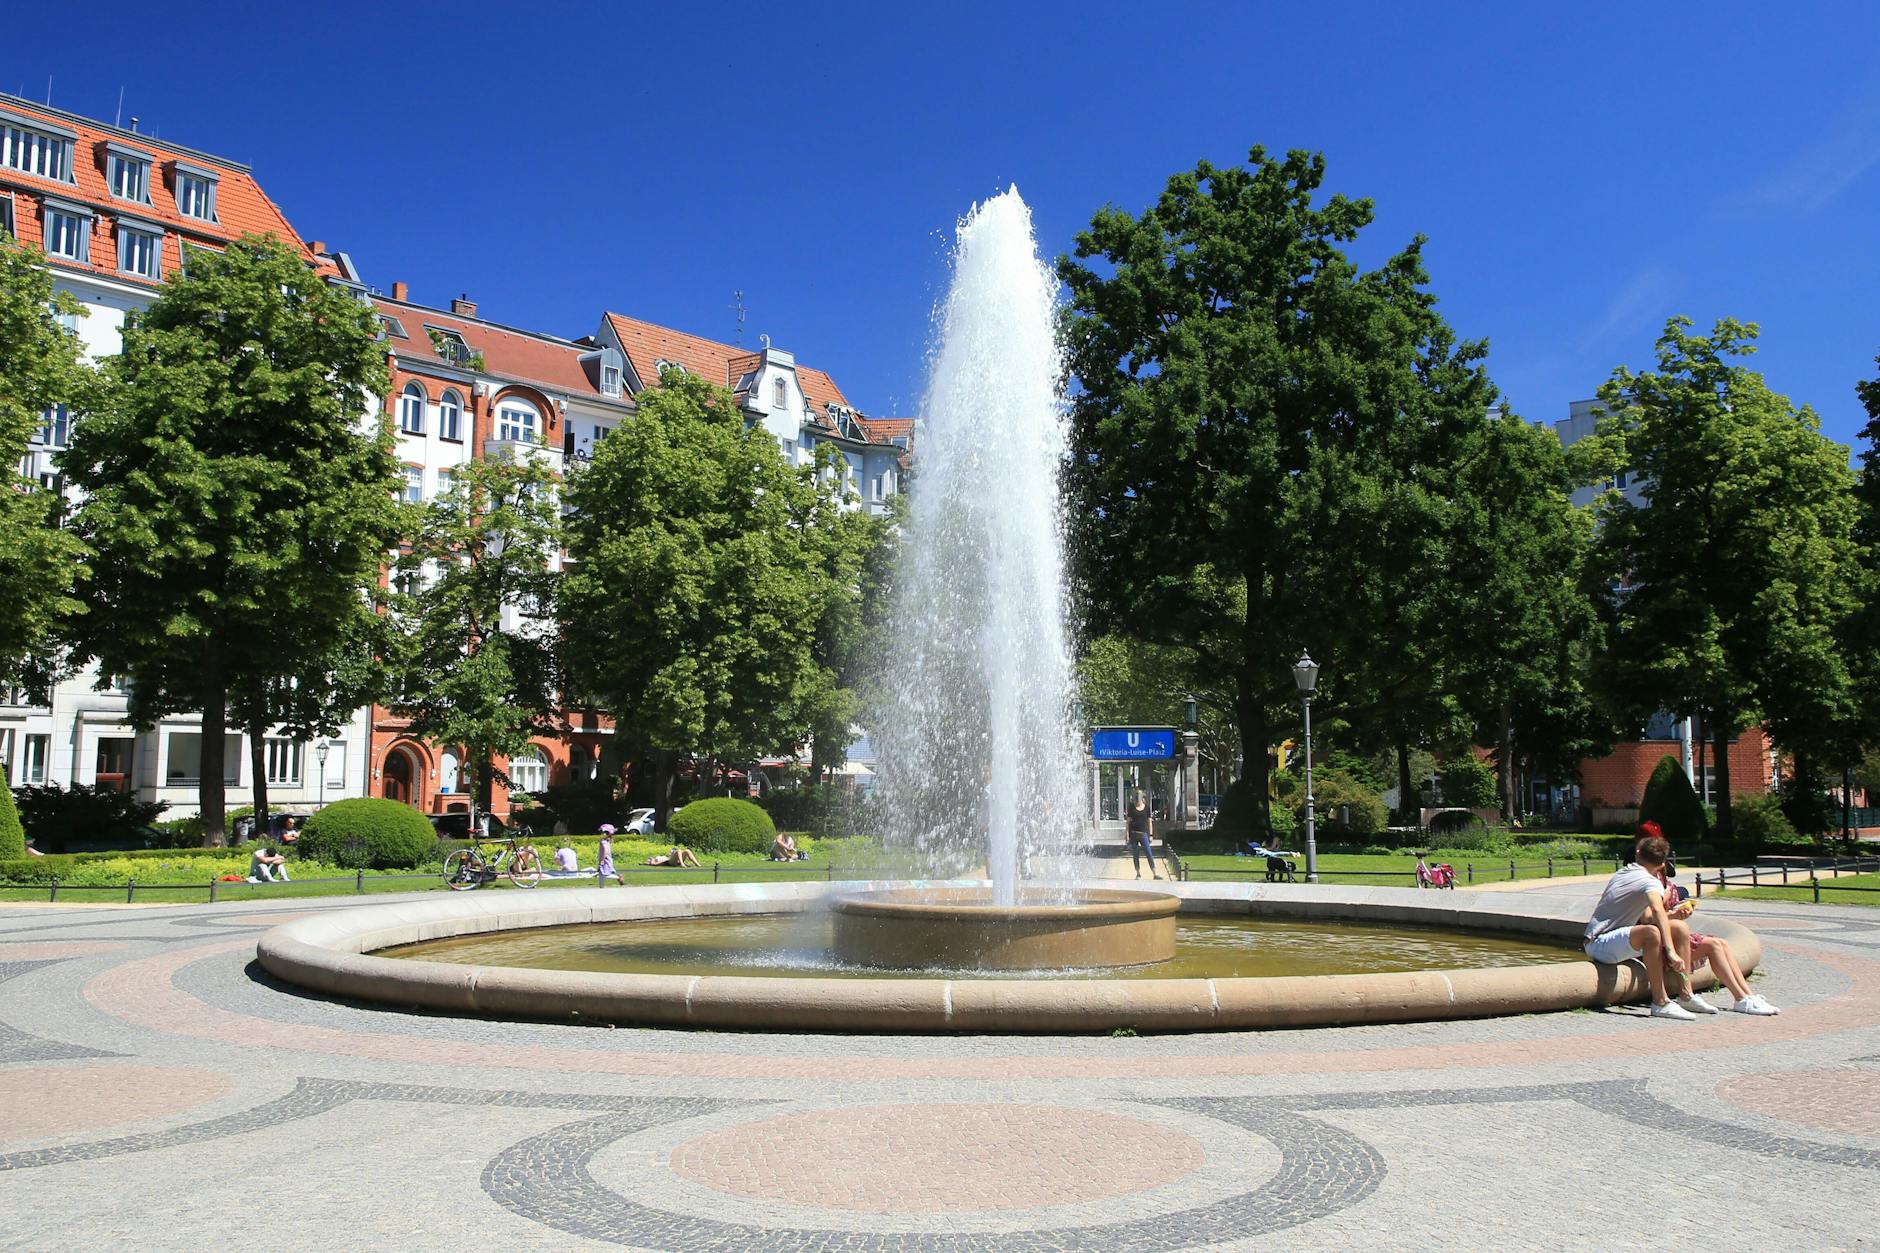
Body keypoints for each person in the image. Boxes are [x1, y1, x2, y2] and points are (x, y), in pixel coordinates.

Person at [1583, 833, 1708, 1020]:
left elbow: (1648, 915)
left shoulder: (1624, 872)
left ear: (1638, 852)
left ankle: (1686, 993)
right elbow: (1657, 911)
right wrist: (1671, 951)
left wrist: (1672, 918)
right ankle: (1660, 1002)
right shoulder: (1650, 882)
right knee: (1650, 934)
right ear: (1662, 863)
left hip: (1604, 940)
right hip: (1600, 943)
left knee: (1679, 928)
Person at [1647, 854, 1780, 1015]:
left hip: (1674, 942)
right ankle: (1741, 998)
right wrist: (1670, 910)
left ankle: (1747, 995)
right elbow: (1648, 920)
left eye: (1664, 870)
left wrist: (1681, 909)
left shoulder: (1667, 887)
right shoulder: (1650, 889)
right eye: (1660, 870)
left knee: (1720, 943)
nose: (1662, 874)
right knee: (1714, 945)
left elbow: (1667, 914)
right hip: (1659, 947)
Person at [1125, 789, 1161, 880]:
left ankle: (1154, 873)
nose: (1137, 801)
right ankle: (1138, 873)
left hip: (1143, 833)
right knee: (1136, 854)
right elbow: (1128, 822)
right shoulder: (1131, 808)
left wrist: (1151, 835)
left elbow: (1149, 822)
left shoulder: (1146, 808)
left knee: (1149, 853)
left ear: (1142, 799)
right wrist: (1127, 834)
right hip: (1134, 834)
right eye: (1136, 799)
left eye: (1138, 799)